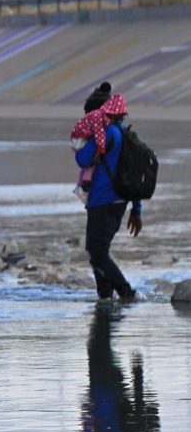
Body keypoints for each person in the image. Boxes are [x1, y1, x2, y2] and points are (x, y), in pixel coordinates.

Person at [74, 88, 142, 301]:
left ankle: (126, 292)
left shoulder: (107, 133)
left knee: (97, 253)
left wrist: (88, 139)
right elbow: (133, 174)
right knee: (98, 251)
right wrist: (136, 210)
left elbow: (82, 160)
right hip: (120, 202)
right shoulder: (125, 133)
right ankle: (105, 297)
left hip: (102, 200)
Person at [70, 82, 113, 202]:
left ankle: (80, 186)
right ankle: (85, 186)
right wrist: (101, 149)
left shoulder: (94, 96)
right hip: (82, 137)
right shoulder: (102, 108)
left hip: (77, 138)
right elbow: (99, 131)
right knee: (92, 162)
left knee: (87, 165)